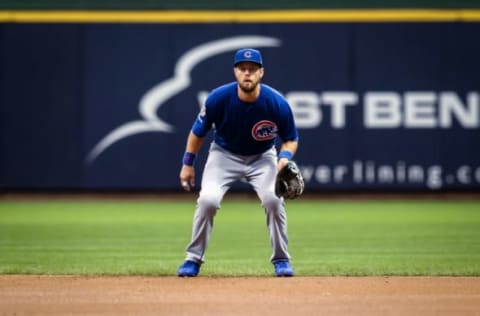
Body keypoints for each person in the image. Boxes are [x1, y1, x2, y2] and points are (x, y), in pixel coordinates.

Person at [177, 48, 299, 277]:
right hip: (224, 155)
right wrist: (187, 163)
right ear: (235, 72)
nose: (247, 74)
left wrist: (284, 158)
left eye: (252, 69)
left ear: (261, 72)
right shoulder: (218, 98)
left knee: (273, 200)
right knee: (208, 201)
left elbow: (291, 139)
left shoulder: (276, 103)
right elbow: (197, 132)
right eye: (243, 69)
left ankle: (281, 259)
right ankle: (192, 259)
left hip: (262, 157)